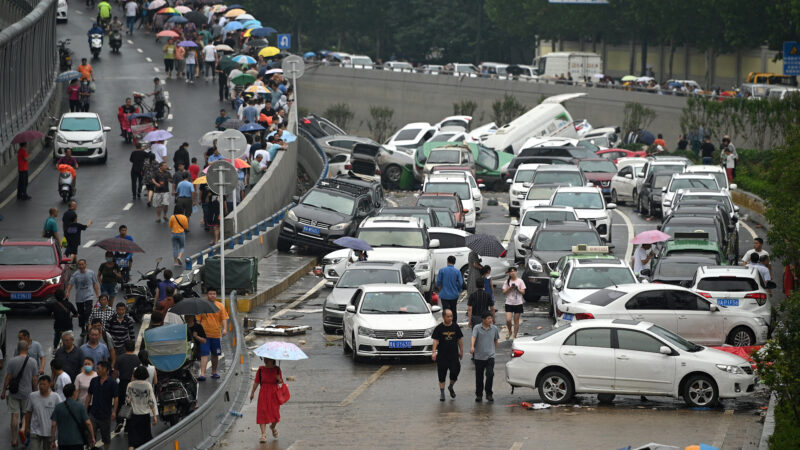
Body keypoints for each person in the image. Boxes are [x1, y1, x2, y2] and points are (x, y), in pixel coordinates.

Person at [2, 341, 39, 447]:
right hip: (27, 393)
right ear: (27, 349)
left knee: (14, 415)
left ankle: (14, 440)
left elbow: (8, 377)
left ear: (18, 349)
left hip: (14, 392)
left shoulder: (12, 361)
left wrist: (4, 391)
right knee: (25, 414)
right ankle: (23, 428)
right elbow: (34, 379)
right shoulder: (33, 362)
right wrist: (36, 392)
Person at [50, 383, 95, 450]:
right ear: (74, 393)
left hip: (63, 442)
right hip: (77, 441)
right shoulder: (80, 406)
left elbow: (53, 425)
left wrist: (53, 440)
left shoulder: (58, 407)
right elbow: (88, 423)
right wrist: (92, 437)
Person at [431, 309, 463, 402]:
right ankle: (442, 393)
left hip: (453, 355)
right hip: (442, 356)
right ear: (443, 317)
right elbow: (435, 341)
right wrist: (433, 352)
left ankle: (451, 386)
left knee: (455, 372)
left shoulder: (455, 327)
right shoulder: (439, 328)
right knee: (442, 375)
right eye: (448, 316)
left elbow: (459, 340)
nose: (450, 318)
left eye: (451, 316)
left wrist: (461, 351)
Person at [85, 361, 118, 450]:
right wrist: (85, 409)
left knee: (106, 437)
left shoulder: (112, 382)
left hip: (105, 415)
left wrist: (114, 411)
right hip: (93, 413)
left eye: (98, 368)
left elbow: (116, 398)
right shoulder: (94, 381)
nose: (97, 370)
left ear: (105, 369)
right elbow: (89, 396)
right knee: (91, 436)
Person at [249, 357, 283, 442]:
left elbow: (280, 382)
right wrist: (252, 392)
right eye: (265, 358)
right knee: (262, 412)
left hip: (274, 393)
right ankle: (263, 434)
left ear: (272, 360)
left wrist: (279, 379)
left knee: (275, 414)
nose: (265, 360)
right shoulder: (260, 370)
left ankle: (273, 427)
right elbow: (256, 382)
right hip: (263, 393)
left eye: (267, 358)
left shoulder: (277, 370)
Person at [197, 288, 228, 380]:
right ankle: (202, 373)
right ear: (207, 295)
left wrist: (225, 329)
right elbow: (198, 320)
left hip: (216, 335)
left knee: (215, 354)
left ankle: (214, 372)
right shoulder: (202, 306)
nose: (212, 295)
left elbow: (224, 318)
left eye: (214, 294)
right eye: (210, 294)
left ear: (216, 295)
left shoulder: (220, 306)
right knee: (204, 354)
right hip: (204, 336)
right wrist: (197, 331)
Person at [124, 366, 157, 449]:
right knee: (146, 439)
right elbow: (151, 402)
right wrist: (155, 415)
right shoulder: (148, 385)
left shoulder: (130, 385)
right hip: (145, 416)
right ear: (146, 374)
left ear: (135, 374)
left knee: (132, 441)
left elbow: (127, 400)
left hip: (133, 416)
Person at [23, 375, 59, 450]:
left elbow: (60, 412)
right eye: (40, 384)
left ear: (49, 384)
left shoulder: (56, 397)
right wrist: (26, 427)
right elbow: (28, 412)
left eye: (44, 384)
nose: (42, 386)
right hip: (35, 431)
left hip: (49, 433)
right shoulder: (32, 396)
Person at [470, 312, 499, 403]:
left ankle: (489, 393)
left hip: (490, 356)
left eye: (491, 318)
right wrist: (472, 346)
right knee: (479, 377)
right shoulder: (477, 328)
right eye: (488, 318)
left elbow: (496, 340)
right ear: (483, 319)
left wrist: (493, 350)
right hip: (479, 356)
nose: (490, 320)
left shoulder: (494, 328)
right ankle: (479, 395)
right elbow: (473, 337)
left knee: (490, 374)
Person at [66, 259, 100, 333]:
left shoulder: (91, 273)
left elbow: (94, 284)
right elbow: (70, 284)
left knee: (88, 311)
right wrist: (68, 292)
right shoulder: (75, 274)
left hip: (89, 295)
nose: (81, 266)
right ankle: (82, 328)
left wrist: (97, 294)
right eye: (79, 265)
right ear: (78, 266)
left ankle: (88, 325)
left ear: (85, 265)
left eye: (82, 264)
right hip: (79, 297)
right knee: (80, 313)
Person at [113, 341, 138, 430]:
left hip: (123, 383)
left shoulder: (120, 358)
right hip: (134, 384)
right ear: (134, 348)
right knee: (132, 404)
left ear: (124, 348)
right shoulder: (137, 359)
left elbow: (115, 373)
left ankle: (119, 421)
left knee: (121, 403)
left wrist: (114, 382)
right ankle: (128, 425)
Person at [436, 255, 463, 322]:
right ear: (454, 262)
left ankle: (446, 323)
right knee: (453, 310)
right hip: (454, 295)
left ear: (447, 261)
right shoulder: (457, 271)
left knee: (445, 311)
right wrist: (459, 290)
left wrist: (441, 289)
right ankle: (454, 324)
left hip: (444, 294)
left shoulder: (442, 270)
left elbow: (438, 282)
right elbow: (460, 283)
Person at [502, 267, 525, 340]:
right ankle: (509, 331)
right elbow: (504, 292)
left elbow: (523, 292)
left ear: (516, 272)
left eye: (514, 271)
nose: (513, 273)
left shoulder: (520, 281)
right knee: (508, 319)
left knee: (516, 321)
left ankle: (515, 335)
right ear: (509, 273)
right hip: (509, 303)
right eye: (511, 272)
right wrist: (510, 288)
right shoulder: (507, 281)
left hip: (518, 303)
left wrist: (517, 289)